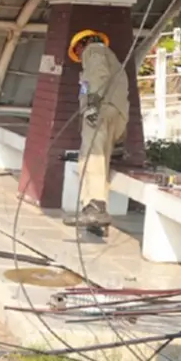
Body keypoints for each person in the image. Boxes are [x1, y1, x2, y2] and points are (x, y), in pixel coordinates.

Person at [63, 29, 129, 229]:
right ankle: (95, 214)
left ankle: (95, 206)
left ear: (81, 44)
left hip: (101, 110)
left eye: (78, 51)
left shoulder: (94, 49)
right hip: (113, 112)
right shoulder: (111, 58)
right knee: (98, 162)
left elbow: (99, 75)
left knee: (91, 157)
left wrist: (92, 104)